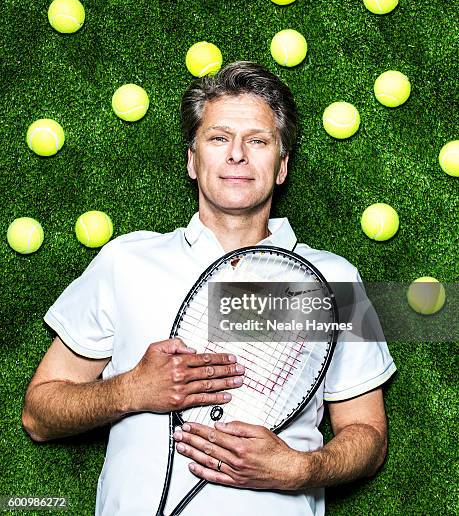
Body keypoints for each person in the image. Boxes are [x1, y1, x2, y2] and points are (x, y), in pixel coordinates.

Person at [22, 61, 396, 515]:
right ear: (192, 161)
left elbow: (368, 436)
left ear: (281, 166)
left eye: (258, 141)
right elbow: (39, 414)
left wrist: (300, 470)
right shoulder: (127, 261)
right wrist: (131, 390)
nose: (237, 154)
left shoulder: (335, 281)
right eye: (218, 138)